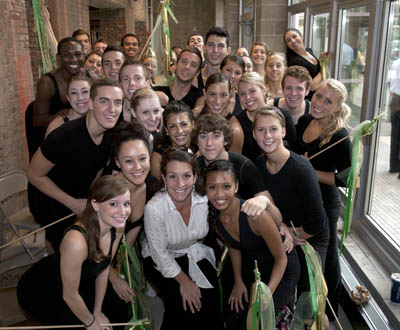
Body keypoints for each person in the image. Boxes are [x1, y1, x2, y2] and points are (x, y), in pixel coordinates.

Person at [17, 175, 131, 328]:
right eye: (114, 204)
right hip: (47, 291)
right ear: (95, 205)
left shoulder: (117, 226)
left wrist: (97, 312)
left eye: (126, 204)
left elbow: (103, 270)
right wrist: (91, 323)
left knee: (120, 312)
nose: (122, 211)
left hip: (82, 281)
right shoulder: (76, 241)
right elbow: (69, 295)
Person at [27, 78, 123, 251]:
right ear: (91, 103)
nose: (112, 109)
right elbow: (34, 174)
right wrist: (72, 203)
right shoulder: (63, 137)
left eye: (117, 103)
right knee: (69, 251)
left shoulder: (111, 135)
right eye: (104, 101)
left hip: (80, 195)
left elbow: (98, 169)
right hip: (50, 197)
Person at [204, 160, 299, 330]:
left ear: (236, 187)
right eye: (212, 187)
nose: (219, 194)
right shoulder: (216, 220)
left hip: (282, 269)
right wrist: (238, 281)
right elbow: (233, 246)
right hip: (256, 268)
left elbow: (281, 259)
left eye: (226, 186)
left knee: (258, 319)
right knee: (234, 318)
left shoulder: (255, 216)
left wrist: (267, 294)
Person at [253, 106, 329, 303]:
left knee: (308, 303)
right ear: (254, 134)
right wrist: (281, 228)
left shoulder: (301, 169)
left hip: (310, 236)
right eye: (261, 130)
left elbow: (318, 223)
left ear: (284, 131)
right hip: (283, 230)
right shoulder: (259, 164)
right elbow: (266, 207)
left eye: (273, 129)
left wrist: (293, 236)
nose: (267, 135)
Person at [142, 149, 224, 330]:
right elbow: (159, 255)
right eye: (172, 176)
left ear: (195, 177)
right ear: (163, 178)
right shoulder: (154, 209)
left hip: (196, 251)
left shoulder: (204, 199)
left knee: (211, 305)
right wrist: (185, 282)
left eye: (186, 176)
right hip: (162, 259)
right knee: (183, 306)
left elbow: (232, 206)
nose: (180, 184)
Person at [294, 78, 352, 320]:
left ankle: (328, 317)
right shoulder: (305, 120)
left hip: (324, 205)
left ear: (337, 107)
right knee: (304, 262)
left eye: (328, 101)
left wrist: (311, 171)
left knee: (325, 267)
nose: (319, 103)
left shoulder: (340, 136)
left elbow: (347, 179)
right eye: (318, 96)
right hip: (300, 201)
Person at [25, 37, 85, 159]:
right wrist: (58, 117)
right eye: (67, 55)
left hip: (72, 132)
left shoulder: (88, 76)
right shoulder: (47, 82)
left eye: (78, 54)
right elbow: (37, 120)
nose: (74, 59)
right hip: (47, 133)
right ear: (58, 58)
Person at [236, 72, 296, 163]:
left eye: (252, 91)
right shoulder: (237, 124)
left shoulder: (283, 115)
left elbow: (294, 151)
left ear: (264, 91)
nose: (247, 97)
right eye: (242, 94)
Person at [196, 73, 244, 153]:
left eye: (223, 95)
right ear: (205, 94)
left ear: (230, 95)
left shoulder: (235, 130)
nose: (217, 101)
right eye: (212, 94)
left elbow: (234, 163)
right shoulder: (196, 119)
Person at [151, 101, 194, 180]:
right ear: (166, 130)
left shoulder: (202, 149)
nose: (180, 131)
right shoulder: (158, 158)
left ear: (192, 125)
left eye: (184, 124)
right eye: (172, 126)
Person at [284, 28, 321, 99]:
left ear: (302, 36)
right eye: (289, 40)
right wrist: (325, 65)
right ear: (287, 45)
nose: (293, 41)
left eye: (294, 36)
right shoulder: (296, 62)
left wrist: (322, 61)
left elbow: (316, 72)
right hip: (310, 99)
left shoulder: (309, 51)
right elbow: (312, 86)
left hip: (319, 95)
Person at [130, 87, 163, 152]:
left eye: (156, 111)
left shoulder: (159, 137)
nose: (153, 118)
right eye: (145, 112)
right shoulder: (127, 141)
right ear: (133, 112)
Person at [387, 57, 400, 175]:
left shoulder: (395, 62)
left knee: (395, 136)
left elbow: (388, 81)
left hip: (395, 100)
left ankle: (394, 165)